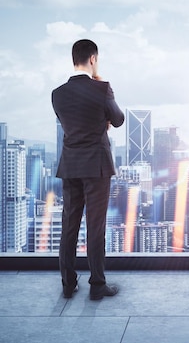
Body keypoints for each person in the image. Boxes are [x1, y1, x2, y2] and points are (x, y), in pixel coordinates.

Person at [52, 39, 124, 300]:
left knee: (69, 226)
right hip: (97, 166)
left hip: (71, 165)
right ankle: (97, 285)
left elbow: (70, 125)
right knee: (95, 226)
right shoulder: (102, 88)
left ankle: (68, 284)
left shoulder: (57, 94)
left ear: (74, 59)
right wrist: (106, 94)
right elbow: (118, 120)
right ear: (93, 59)